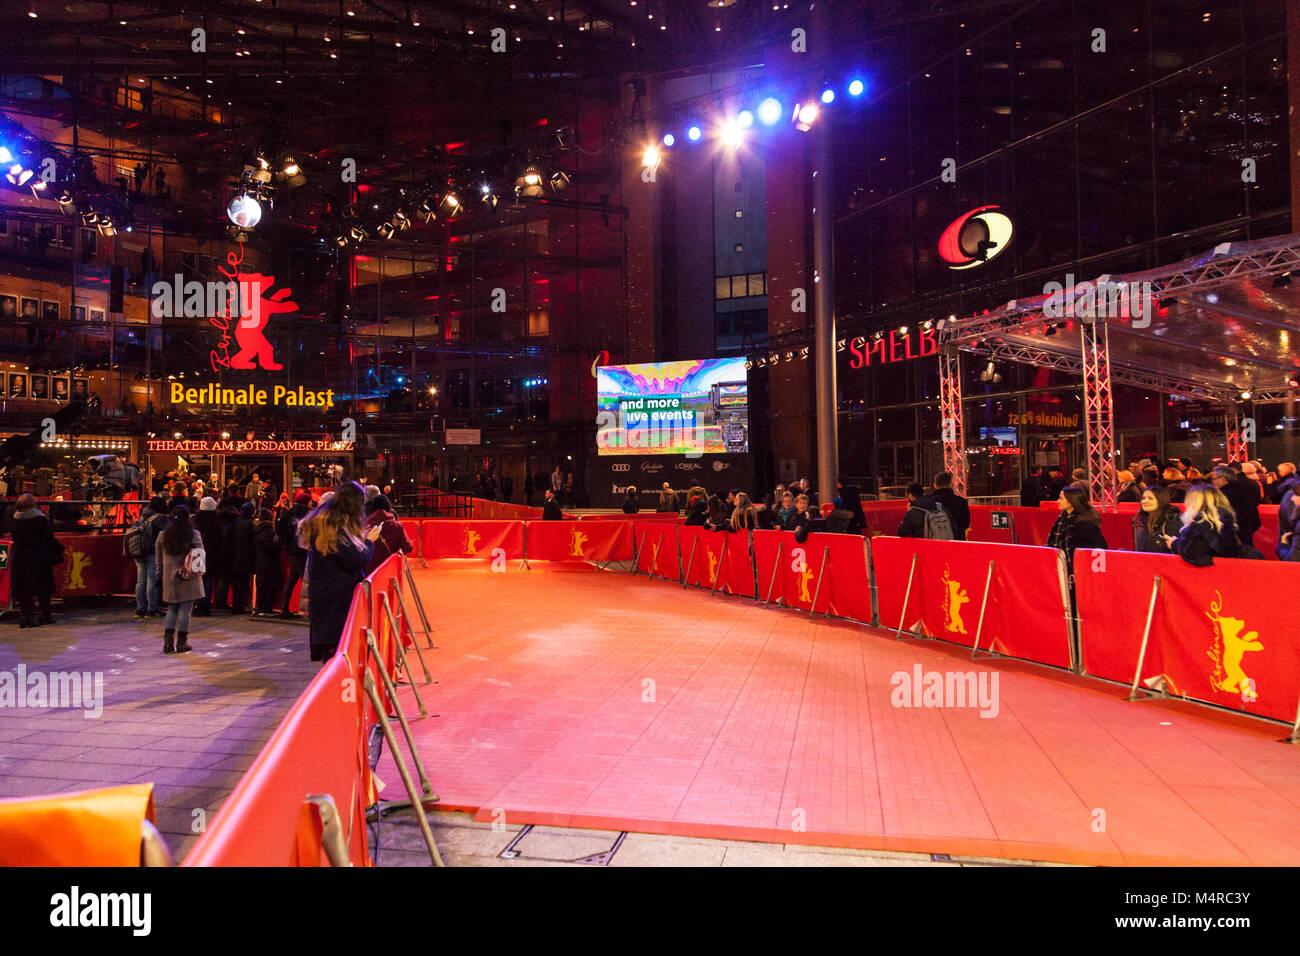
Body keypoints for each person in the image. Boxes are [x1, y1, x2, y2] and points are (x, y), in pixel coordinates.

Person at [298, 481, 381, 662]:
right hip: (337, 601)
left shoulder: (327, 523)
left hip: (326, 600)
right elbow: (354, 561)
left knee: (333, 652)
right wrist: (369, 542)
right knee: (339, 654)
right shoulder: (334, 529)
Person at [155, 504, 205, 654]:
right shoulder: (193, 534)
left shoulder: (162, 535)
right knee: (185, 609)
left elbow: (158, 560)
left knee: (172, 609)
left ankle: (168, 644)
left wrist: (159, 575)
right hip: (187, 575)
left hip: (169, 577)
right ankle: (182, 643)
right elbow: (200, 554)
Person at [9, 494, 62, 628]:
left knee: (23, 588)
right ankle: (45, 614)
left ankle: (26, 616)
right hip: (39, 556)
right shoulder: (39, 518)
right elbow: (48, 537)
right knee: (43, 586)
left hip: (21, 557)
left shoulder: (15, 518)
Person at [1167, 485, 1241, 566]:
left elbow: (1192, 551)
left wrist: (1174, 544)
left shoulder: (1205, 524)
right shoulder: (1222, 520)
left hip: (1211, 571)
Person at [131, 495, 170, 619]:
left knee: (141, 581)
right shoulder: (160, 519)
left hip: (139, 551)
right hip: (152, 552)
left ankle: (140, 609)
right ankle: (152, 609)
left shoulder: (143, 515)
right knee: (152, 581)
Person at [1046, 487, 1108, 560]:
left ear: (1072, 501)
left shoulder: (1084, 523)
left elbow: (1098, 547)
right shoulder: (1063, 518)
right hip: (1063, 564)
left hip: (1082, 564)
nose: (1058, 501)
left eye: (1061, 499)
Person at [277, 491, 312, 618]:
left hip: (292, 550)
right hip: (302, 550)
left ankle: (284, 609)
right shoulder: (307, 514)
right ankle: (312, 609)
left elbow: (280, 530)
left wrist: (285, 545)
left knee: (292, 580)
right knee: (307, 580)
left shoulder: (288, 513)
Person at [363, 494, 413, 575]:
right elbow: (408, 548)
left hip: (369, 573)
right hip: (390, 571)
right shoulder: (396, 526)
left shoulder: (366, 525)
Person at [1211, 465, 1259, 549]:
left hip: (1230, 540)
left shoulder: (1221, 496)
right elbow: (1255, 518)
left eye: (1214, 479)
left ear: (1222, 479)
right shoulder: (1243, 490)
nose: (1213, 482)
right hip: (1245, 535)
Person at [193, 496, 222, 616]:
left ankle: (198, 604)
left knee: (197, 579)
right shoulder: (215, 522)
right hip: (210, 553)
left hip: (197, 552)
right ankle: (205, 606)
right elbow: (218, 540)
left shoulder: (195, 520)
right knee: (208, 579)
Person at [251, 509, 282, 616]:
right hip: (268, 562)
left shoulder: (256, 529)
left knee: (261, 584)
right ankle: (266, 608)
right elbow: (270, 546)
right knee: (269, 585)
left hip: (258, 560)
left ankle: (261, 606)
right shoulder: (268, 531)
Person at [1133, 486, 1181, 553]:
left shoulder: (1172, 522)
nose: (1145, 501)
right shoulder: (1142, 521)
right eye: (1143, 498)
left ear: (1161, 500)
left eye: (1150, 498)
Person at [230, 501, 256, 614]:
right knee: (244, 583)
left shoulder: (236, 522)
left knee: (237, 583)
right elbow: (252, 541)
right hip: (246, 556)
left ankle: (237, 605)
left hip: (235, 555)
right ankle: (240, 606)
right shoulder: (250, 524)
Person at [929, 472, 969, 541]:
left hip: (936, 543)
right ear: (951, 484)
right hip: (958, 542)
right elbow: (966, 524)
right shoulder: (961, 502)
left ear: (935, 485)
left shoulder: (929, 502)